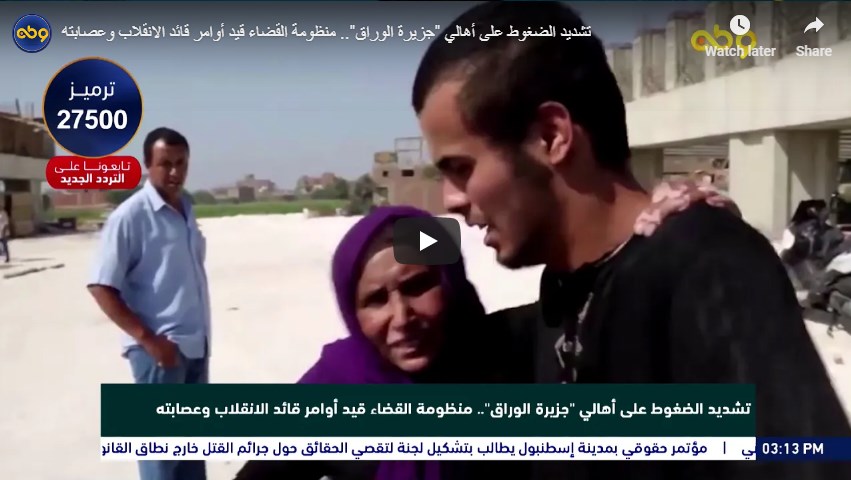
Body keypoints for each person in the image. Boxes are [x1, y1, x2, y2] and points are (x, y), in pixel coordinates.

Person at [412, 2, 851, 479]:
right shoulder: (566, 292)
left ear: (551, 136)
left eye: (462, 168)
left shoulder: (708, 269)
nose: (451, 200)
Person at [235, 192, 731, 480]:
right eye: (375, 300)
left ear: (450, 281)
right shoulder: (335, 388)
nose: (401, 317)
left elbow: (622, 294)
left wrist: (678, 226)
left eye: (418, 286)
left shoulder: (514, 345)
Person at [87, 127, 209, 480]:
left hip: (195, 349)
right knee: (160, 460)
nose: (174, 172)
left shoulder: (186, 209)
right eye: (165, 164)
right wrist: (149, 340)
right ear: (147, 165)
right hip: (159, 355)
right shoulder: (131, 216)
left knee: (191, 456)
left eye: (181, 163)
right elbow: (100, 285)